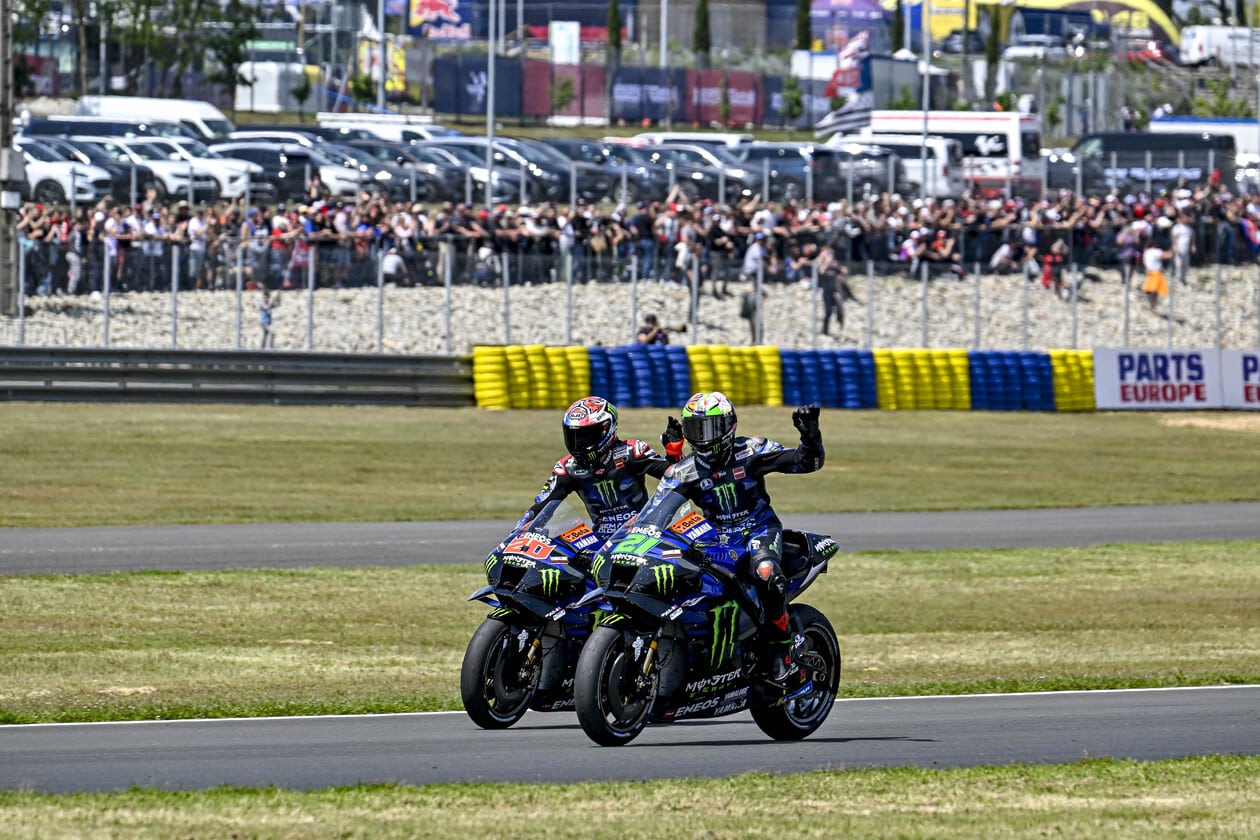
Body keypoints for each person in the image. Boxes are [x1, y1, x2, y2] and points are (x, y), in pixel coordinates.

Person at [648, 392, 823, 688]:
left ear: (729, 426)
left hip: (758, 530)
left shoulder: (751, 450)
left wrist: (810, 436)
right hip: (712, 538)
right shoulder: (685, 470)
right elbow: (655, 511)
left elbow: (808, 462)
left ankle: (782, 650)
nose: (703, 438)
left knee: (766, 572)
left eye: (710, 428)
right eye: (696, 429)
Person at [516, 397, 682, 549]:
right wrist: (517, 535)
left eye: (586, 436)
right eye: (573, 436)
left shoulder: (632, 452)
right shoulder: (567, 467)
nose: (579, 444)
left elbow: (677, 479)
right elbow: (542, 506)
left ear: (606, 430)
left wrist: (674, 453)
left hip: (639, 537)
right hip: (600, 543)